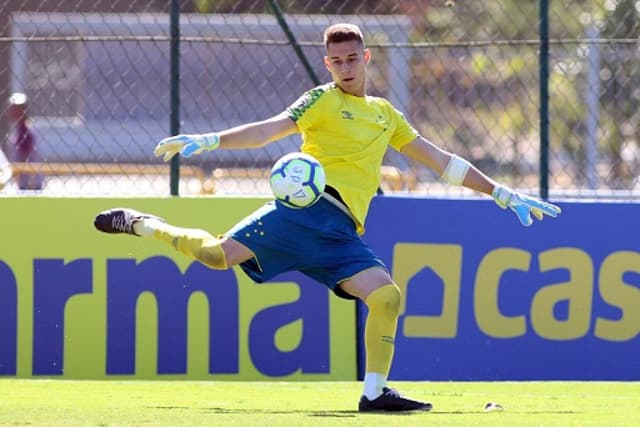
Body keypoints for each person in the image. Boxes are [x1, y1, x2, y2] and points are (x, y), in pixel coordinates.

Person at [94, 23, 561, 412]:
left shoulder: (385, 115)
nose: (344, 67)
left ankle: (374, 393)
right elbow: (268, 131)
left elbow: (441, 161)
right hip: (300, 214)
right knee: (217, 257)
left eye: (351, 59)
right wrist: (211, 140)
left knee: (386, 296)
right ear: (327, 64)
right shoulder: (319, 100)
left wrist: (499, 191)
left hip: (340, 233)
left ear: (367, 57)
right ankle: (143, 224)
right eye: (336, 61)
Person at [6, 92, 43, 190]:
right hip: (24, 183)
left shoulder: (24, 130)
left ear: (23, 110)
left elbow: (24, 158)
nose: (10, 110)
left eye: (15, 107)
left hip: (29, 185)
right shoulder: (19, 128)